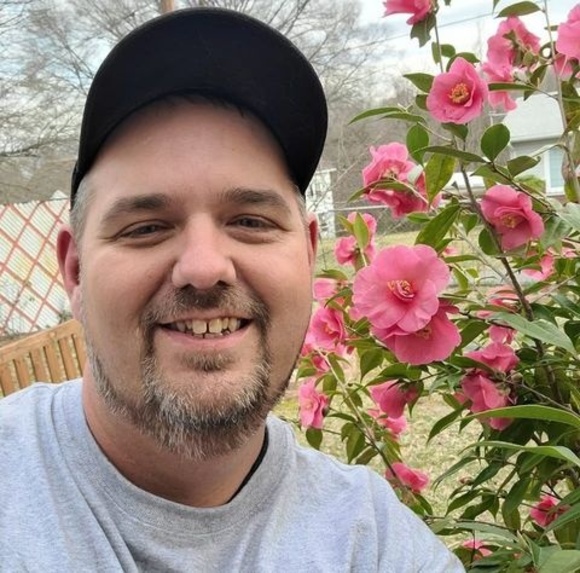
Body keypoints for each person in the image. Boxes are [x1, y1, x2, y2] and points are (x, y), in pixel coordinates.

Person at [0, 8, 465, 572]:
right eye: (145, 228)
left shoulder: (372, 541)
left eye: (250, 221)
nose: (204, 267)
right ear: (75, 271)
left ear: (308, 255)